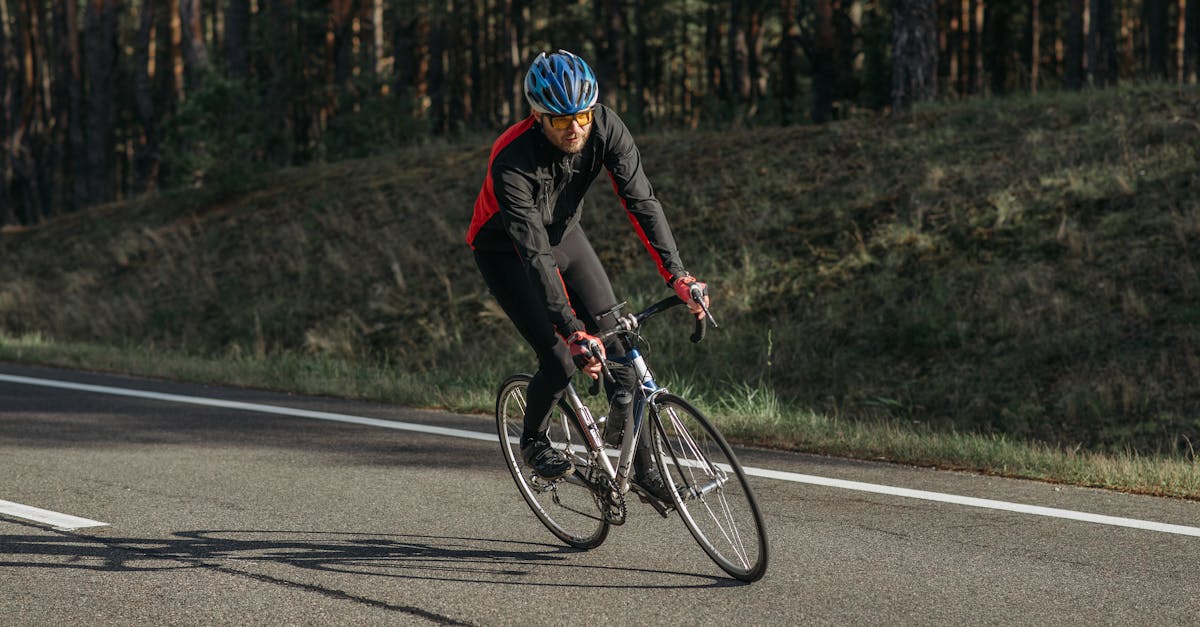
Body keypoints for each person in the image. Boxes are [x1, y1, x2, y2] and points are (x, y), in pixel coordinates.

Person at [466, 50, 708, 503]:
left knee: (621, 343)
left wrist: (678, 275)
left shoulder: (606, 126)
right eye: (559, 121)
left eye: (580, 115)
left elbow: (641, 202)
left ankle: (640, 467)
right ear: (537, 117)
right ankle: (534, 439)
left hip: (565, 234)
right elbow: (534, 253)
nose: (574, 128)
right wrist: (574, 330)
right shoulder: (511, 160)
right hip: (508, 250)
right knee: (559, 357)